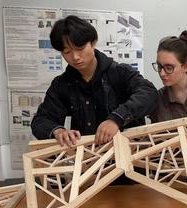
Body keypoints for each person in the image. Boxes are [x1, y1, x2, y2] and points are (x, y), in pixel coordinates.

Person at [31, 15, 158, 146]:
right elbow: (41, 120)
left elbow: (149, 94)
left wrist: (117, 119)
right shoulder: (62, 84)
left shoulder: (119, 72)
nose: (75, 57)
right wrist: (58, 131)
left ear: (93, 43)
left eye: (80, 49)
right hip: (89, 159)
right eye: (67, 52)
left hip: (129, 156)